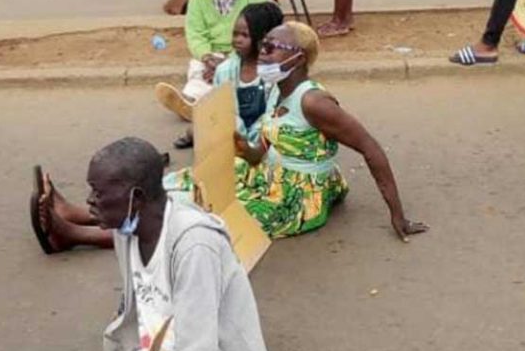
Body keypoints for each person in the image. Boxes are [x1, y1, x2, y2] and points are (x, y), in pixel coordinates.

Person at [22, 138, 271, 351]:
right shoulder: (127, 230)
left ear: (136, 197)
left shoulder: (195, 246)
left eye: (98, 192)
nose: (90, 200)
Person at [166, 22, 430, 241]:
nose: (262, 54)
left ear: (299, 58)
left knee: (214, 215)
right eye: (262, 46)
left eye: (271, 48)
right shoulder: (277, 89)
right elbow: (265, 149)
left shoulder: (314, 103)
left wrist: (398, 215)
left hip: (298, 197)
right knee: (197, 180)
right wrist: (247, 150)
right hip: (272, 176)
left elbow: (370, 148)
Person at [155, 0, 272, 121]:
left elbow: (260, 33)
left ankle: (210, 105)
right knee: (198, 70)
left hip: (244, 56)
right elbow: (195, 33)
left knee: (242, 77)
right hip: (211, 56)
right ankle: (192, 101)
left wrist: (229, 62)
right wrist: (207, 57)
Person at [171, 2, 285, 150]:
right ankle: (193, 131)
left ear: (264, 38)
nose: (237, 40)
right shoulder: (225, 70)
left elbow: (272, 114)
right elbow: (223, 111)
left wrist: (253, 143)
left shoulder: (274, 73)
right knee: (204, 127)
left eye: (245, 35)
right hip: (231, 132)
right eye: (235, 34)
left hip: (263, 134)